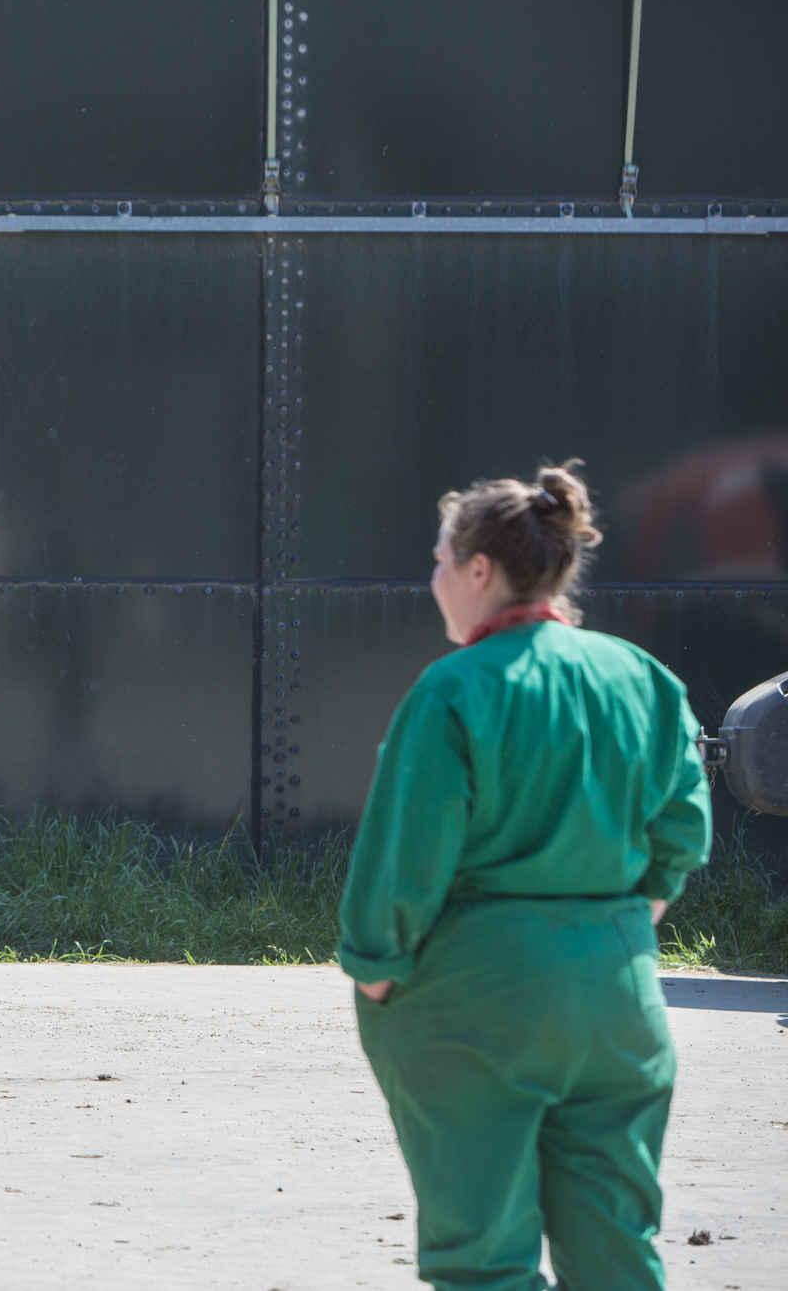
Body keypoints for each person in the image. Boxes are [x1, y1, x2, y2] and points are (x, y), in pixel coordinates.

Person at [338, 461, 711, 1291]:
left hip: (479, 1005)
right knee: (619, 1250)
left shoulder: (453, 691)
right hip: (620, 1001)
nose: (434, 578)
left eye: (440, 559)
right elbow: (684, 826)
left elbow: (403, 858)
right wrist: (626, 916)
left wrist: (375, 969)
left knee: (485, 1260)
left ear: (479, 570)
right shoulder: (641, 678)